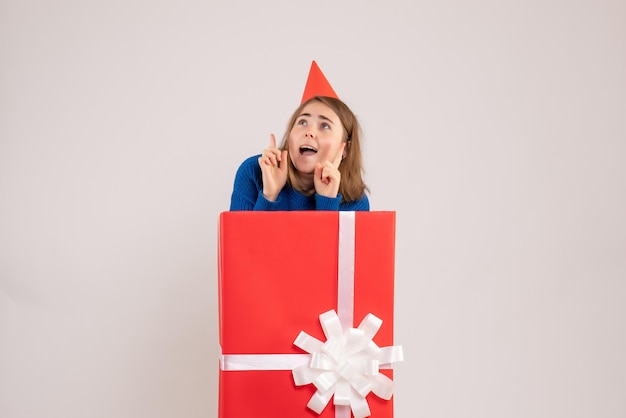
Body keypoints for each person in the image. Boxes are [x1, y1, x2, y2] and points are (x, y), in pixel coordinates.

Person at [229, 61, 369, 211]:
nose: (309, 131)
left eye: (325, 126)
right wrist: (269, 195)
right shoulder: (254, 172)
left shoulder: (355, 201)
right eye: (302, 122)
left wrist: (327, 203)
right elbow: (240, 235)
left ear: (345, 149)